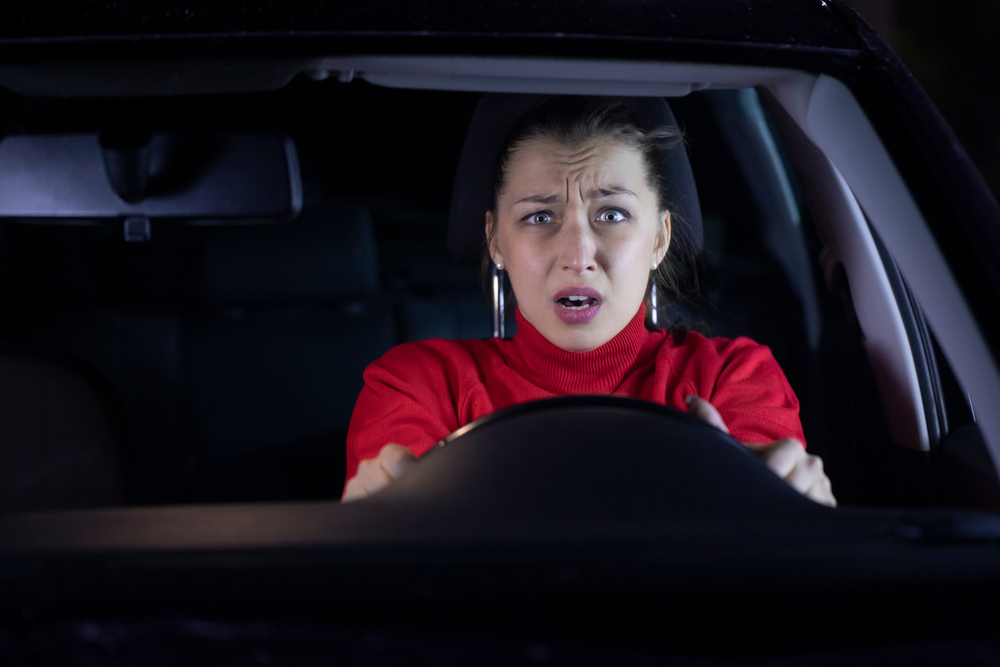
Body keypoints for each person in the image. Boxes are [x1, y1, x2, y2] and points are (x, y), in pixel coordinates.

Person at [342, 96, 836, 507]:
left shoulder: (731, 378)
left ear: (660, 238)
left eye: (612, 214)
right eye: (539, 218)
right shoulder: (418, 386)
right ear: (495, 241)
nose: (577, 257)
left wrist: (797, 521)